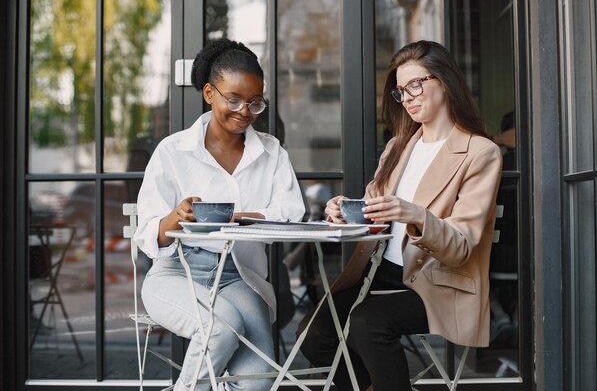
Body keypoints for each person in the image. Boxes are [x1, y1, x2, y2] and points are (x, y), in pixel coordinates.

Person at [297, 40, 503, 391]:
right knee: (314, 332)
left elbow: (462, 246)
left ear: (444, 81)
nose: (406, 97)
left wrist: (416, 215)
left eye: (415, 85)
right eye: (399, 91)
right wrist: (346, 209)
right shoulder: (399, 146)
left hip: (441, 282)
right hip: (381, 275)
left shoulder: (480, 153)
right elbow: (372, 206)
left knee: (366, 323)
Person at [133, 38, 305, 391]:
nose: (245, 110)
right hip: (176, 273)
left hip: (238, 276)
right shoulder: (173, 151)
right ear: (210, 93)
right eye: (234, 99)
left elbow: (291, 213)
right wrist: (175, 217)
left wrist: (240, 217)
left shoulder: (271, 152)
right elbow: (149, 232)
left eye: (255, 102)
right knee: (220, 328)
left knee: (258, 381)